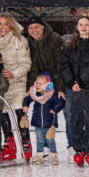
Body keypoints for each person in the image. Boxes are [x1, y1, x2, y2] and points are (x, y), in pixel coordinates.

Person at [0, 13, 32, 160]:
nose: (3, 27)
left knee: (19, 111)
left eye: (6, 23)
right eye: (0, 23)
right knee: (2, 113)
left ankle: (26, 143)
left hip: (16, 82)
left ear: (11, 24)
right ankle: (9, 142)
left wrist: (13, 73)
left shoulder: (19, 40)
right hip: (0, 83)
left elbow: (26, 63)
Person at [24, 15, 69, 161]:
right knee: (41, 114)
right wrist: (31, 87)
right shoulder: (30, 42)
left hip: (56, 84)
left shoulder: (55, 39)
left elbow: (61, 65)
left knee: (60, 115)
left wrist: (61, 88)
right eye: (31, 28)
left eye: (37, 26)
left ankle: (71, 147)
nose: (34, 30)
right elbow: (33, 67)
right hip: (42, 86)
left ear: (43, 26)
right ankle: (43, 147)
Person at [60, 16, 89, 167]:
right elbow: (64, 65)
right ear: (76, 27)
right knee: (75, 118)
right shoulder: (71, 45)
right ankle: (78, 149)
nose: (83, 27)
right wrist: (71, 82)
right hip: (75, 88)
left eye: (87, 25)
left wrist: (83, 80)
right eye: (81, 25)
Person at [22, 72, 66, 165]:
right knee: (39, 140)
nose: (37, 85)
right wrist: (25, 105)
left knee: (51, 141)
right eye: (36, 83)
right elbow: (27, 99)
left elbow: (62, 102)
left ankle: (54, 156)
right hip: (38, 124)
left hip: (49, 124)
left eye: (40, 84)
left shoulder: (53, 95)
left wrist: (55, 109)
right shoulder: (35, 94)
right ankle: (39, 157)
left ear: (48, 86)